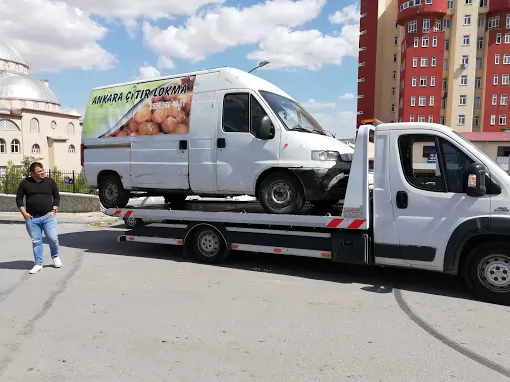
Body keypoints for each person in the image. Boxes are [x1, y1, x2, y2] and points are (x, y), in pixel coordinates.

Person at [15, 162, 62, 274]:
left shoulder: (50, 182)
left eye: (43, 170)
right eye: (39, 171)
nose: (42, 173)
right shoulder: (25, 183)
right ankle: (38, 264)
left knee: (52, 238)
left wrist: (54, 210)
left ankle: (55, 256)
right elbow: (19, 199)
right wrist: (24, 214)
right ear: (32, 173)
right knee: (36, 241)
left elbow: (56, 197)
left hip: (48, 216)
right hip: (32, 219)